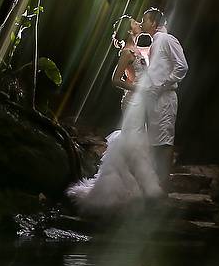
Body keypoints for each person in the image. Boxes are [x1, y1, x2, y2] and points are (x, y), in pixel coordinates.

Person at [67, 16, 164, 215]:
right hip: (133, 101)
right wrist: (136, 88)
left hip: (140, 102)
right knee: (131, 141)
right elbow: (115, 79)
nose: (138, 24)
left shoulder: (138, 50)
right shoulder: (127, 53)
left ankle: (134, 189)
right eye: (135, 23)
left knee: (137, 142)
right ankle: (114, 194)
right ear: (129, 31)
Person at [142, 7, 189, 187]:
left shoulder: (168, 39)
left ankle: (163, 185)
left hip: (165, 98)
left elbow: (182, 66)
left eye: (145, 19)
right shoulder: (154, 41)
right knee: (154, 141)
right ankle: (155, 183)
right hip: (153, 99)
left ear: (154, 22)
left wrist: (162, 86)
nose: (142, 22)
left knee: (165, 142)